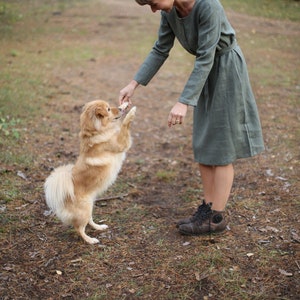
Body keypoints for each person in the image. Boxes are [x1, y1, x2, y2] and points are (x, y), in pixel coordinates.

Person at [119, 0, 264, 236]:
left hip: (226, 70)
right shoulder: (170, 12)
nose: (154, 10)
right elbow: (160, 49)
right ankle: (206, 210)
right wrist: (134, 83)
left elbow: (206, 56)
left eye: (153, 3)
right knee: (203, 141)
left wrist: (184, 101)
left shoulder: (208, 6)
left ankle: (217, 217)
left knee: (222, 145)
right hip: (205, 74)